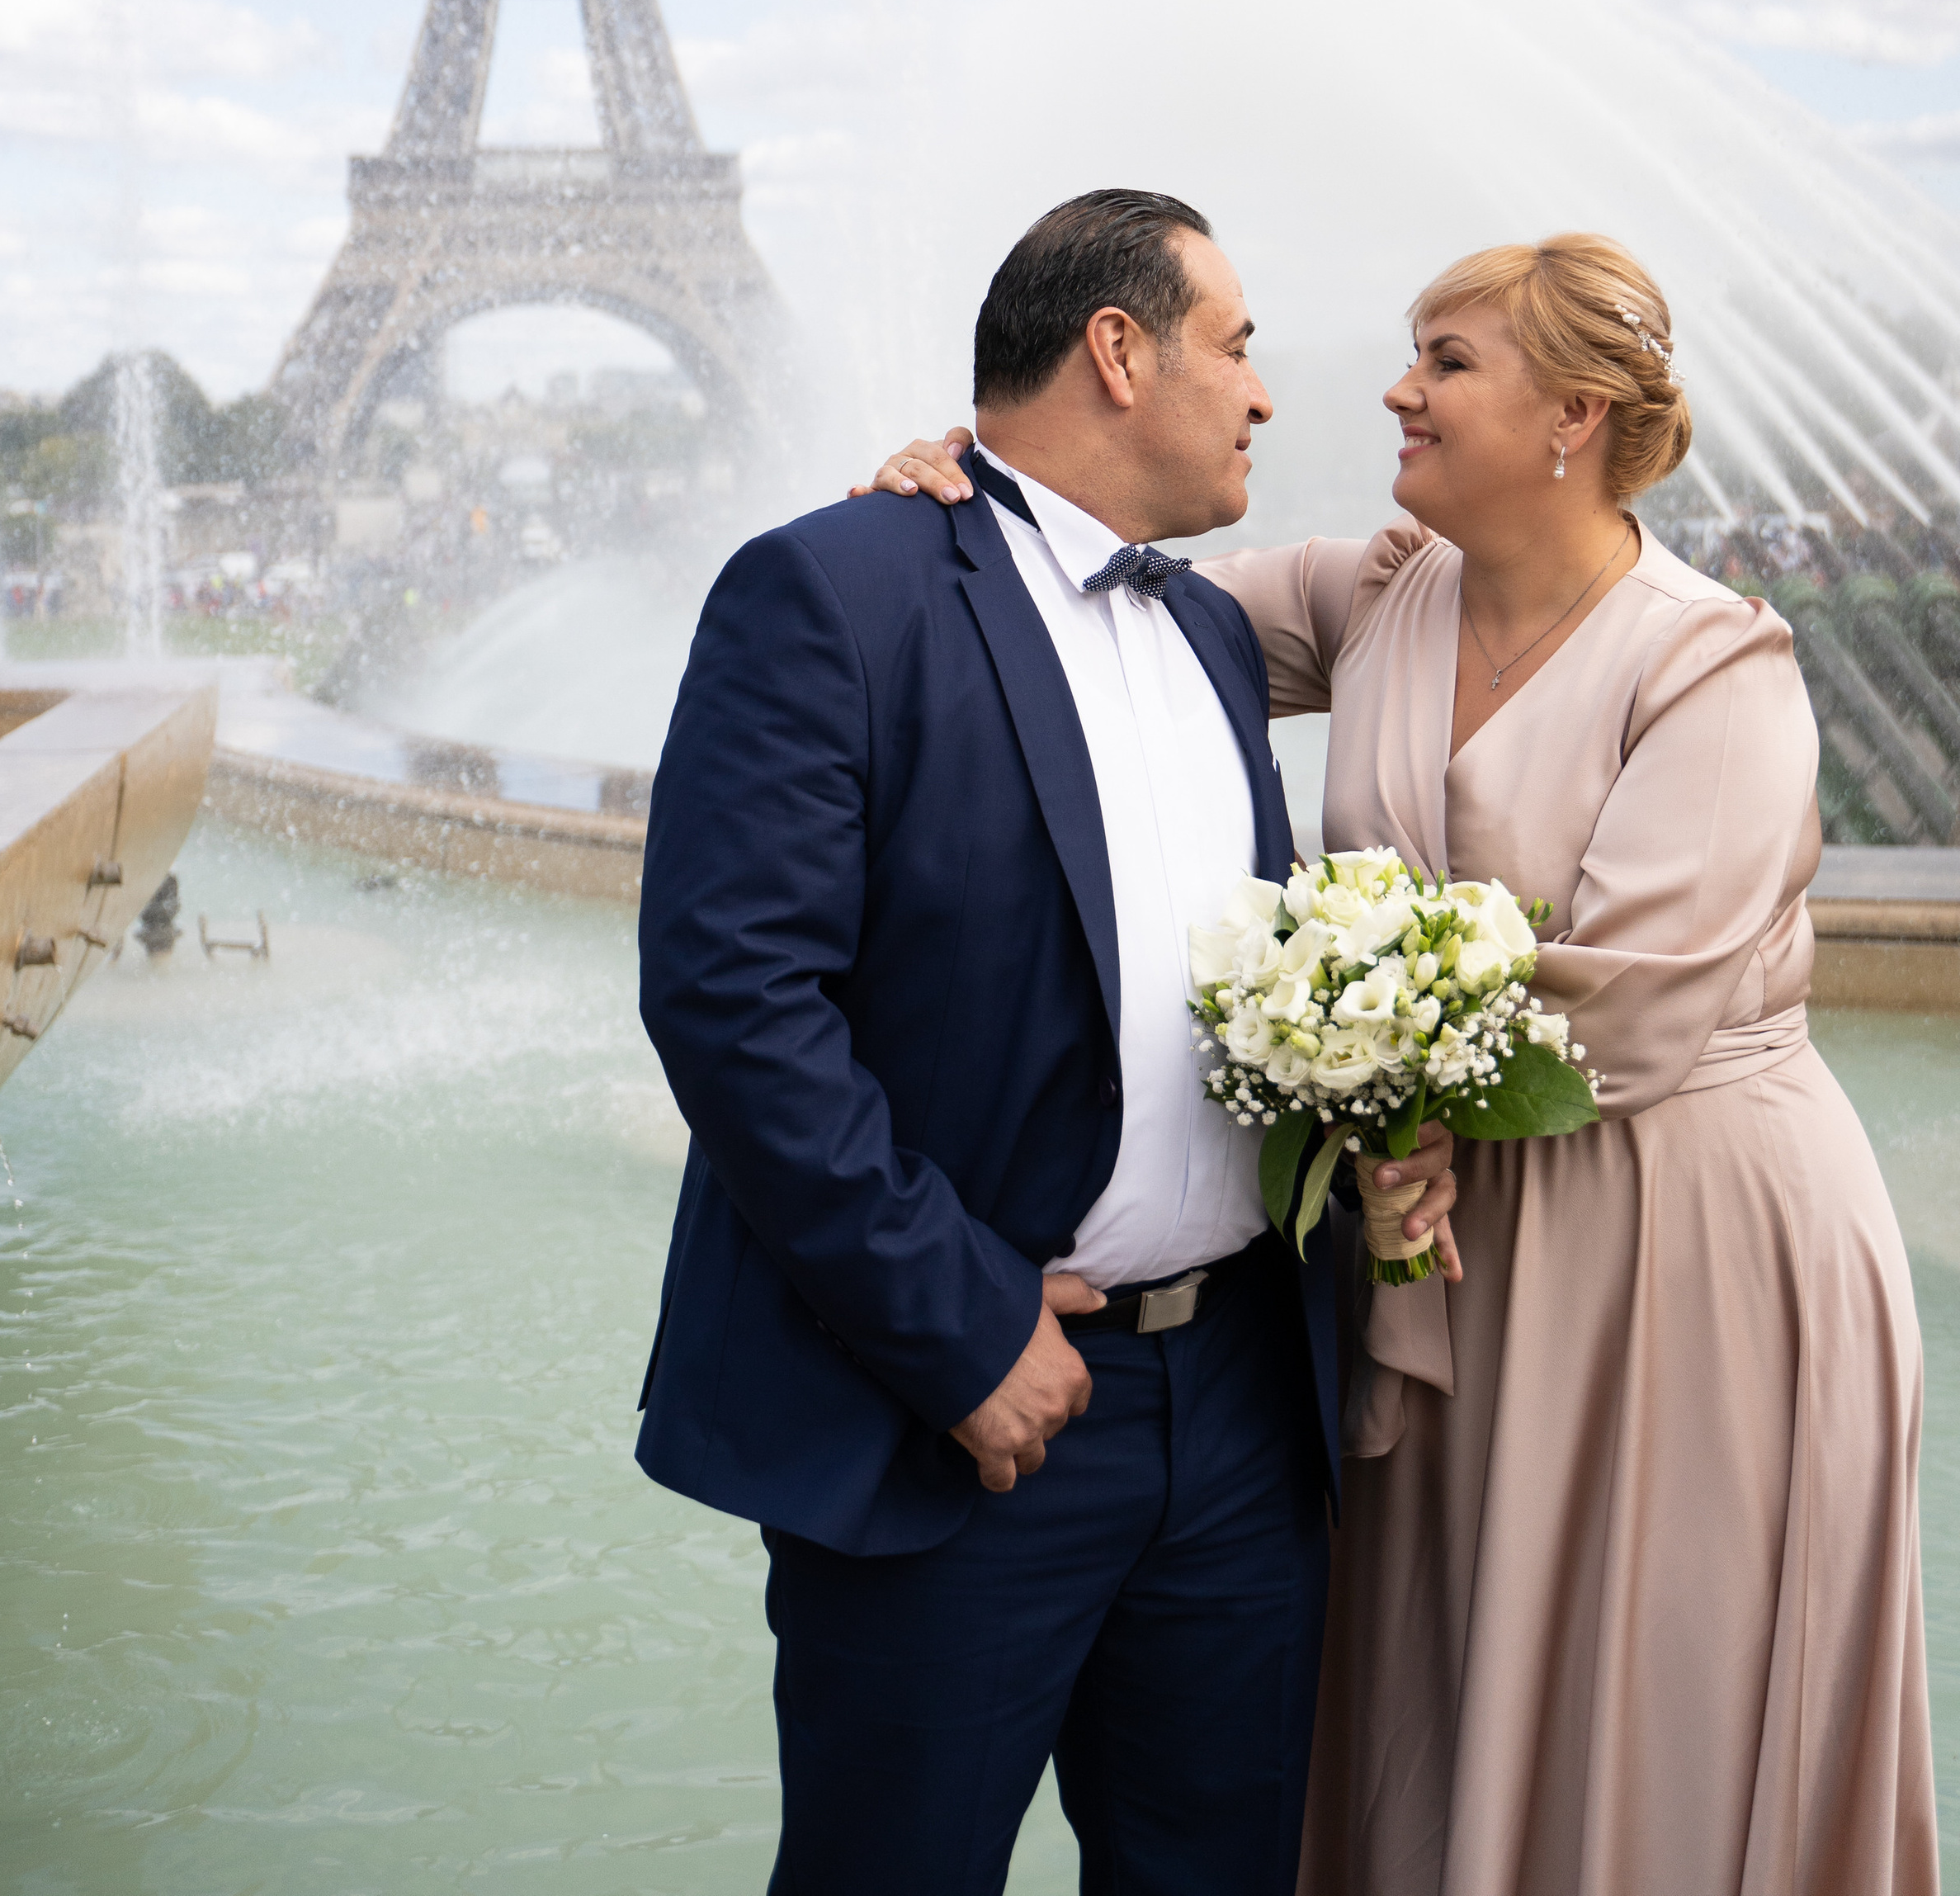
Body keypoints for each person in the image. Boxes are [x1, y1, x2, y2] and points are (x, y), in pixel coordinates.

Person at [868, 230, 1938, 1896]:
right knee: (1446, 1682)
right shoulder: (1375, 593)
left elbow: (1630, 1002)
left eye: (1445, 361)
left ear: (1573, 415)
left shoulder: (1712, 662)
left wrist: (1359, 1076)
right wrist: (971, 485)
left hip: (1677, 1245)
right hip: (1434, 1229)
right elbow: (1079, 599)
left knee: (1652, 1685)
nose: (1394, 389)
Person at [635, 188, 1458, 1896]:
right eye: (1235, 346)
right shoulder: (832, 589)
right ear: (1117, 351)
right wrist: (959, 1332)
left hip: (1240, 1415)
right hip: (964, 1412)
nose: (1263, 393)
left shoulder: (1214, 631)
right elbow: (732, 997)